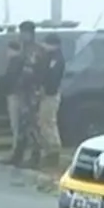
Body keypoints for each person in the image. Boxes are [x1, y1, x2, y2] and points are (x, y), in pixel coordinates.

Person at [0, 21, 42, 167]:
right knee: (20, 127)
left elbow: (30, 72)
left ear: (32, 33)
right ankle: (17, 156)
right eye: (22, 32)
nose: (23, 35)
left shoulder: (35, 50)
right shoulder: (22, 49)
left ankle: (35, 157)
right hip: (19, 92)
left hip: (30, 93)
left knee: (31, 126)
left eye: (26, 32)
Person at [35, 33, 65, 166]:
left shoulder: (57, 59)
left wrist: (45, 90)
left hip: (50, 95)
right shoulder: (48, 57)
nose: (44, 46)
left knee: (48, 122)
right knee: (43, 122)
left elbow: (52, 77)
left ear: (54, 45)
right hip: (46, 94)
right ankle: (48, 151)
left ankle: (54, 151)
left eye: (47, 43)